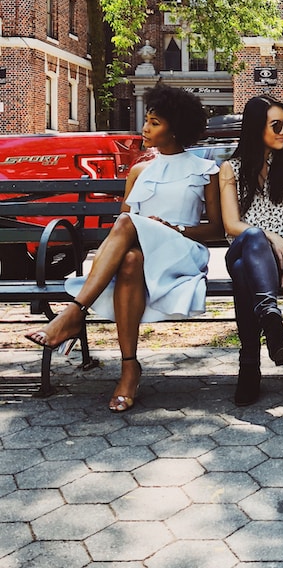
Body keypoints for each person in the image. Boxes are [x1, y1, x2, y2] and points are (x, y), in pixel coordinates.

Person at [24, 83, 223, 412]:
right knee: (129, 258)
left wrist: (174, 228)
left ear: (176, 129)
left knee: (127, 223)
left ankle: (74, 313)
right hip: (142, 255)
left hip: (181, 253)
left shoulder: (205, 170)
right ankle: (129, 368)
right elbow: (125, 231)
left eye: (155, 122)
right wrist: (147, 229)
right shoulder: (139, 171)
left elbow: (216, 229)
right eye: (147, 119)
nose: (145, 128)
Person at [219, 95, 283, 406]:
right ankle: (270, 317)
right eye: (276, 125)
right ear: (257, 128)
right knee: (252, 239)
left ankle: (250, 364)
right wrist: (271, 236)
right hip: (245, 246)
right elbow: (232, 225)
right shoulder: (231, 168)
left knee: (245, 272)